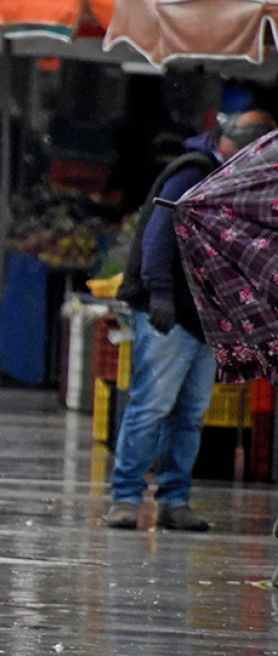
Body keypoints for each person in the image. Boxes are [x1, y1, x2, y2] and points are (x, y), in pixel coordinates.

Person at [106, 109, 277, 532]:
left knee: (191, 412)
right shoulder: (193, 173)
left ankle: (174, 499)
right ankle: (126, 497)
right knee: (151, 406)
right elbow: (159, 233)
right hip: (171, 312)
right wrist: (159, 292)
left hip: (206, 315)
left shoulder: (234, 179)